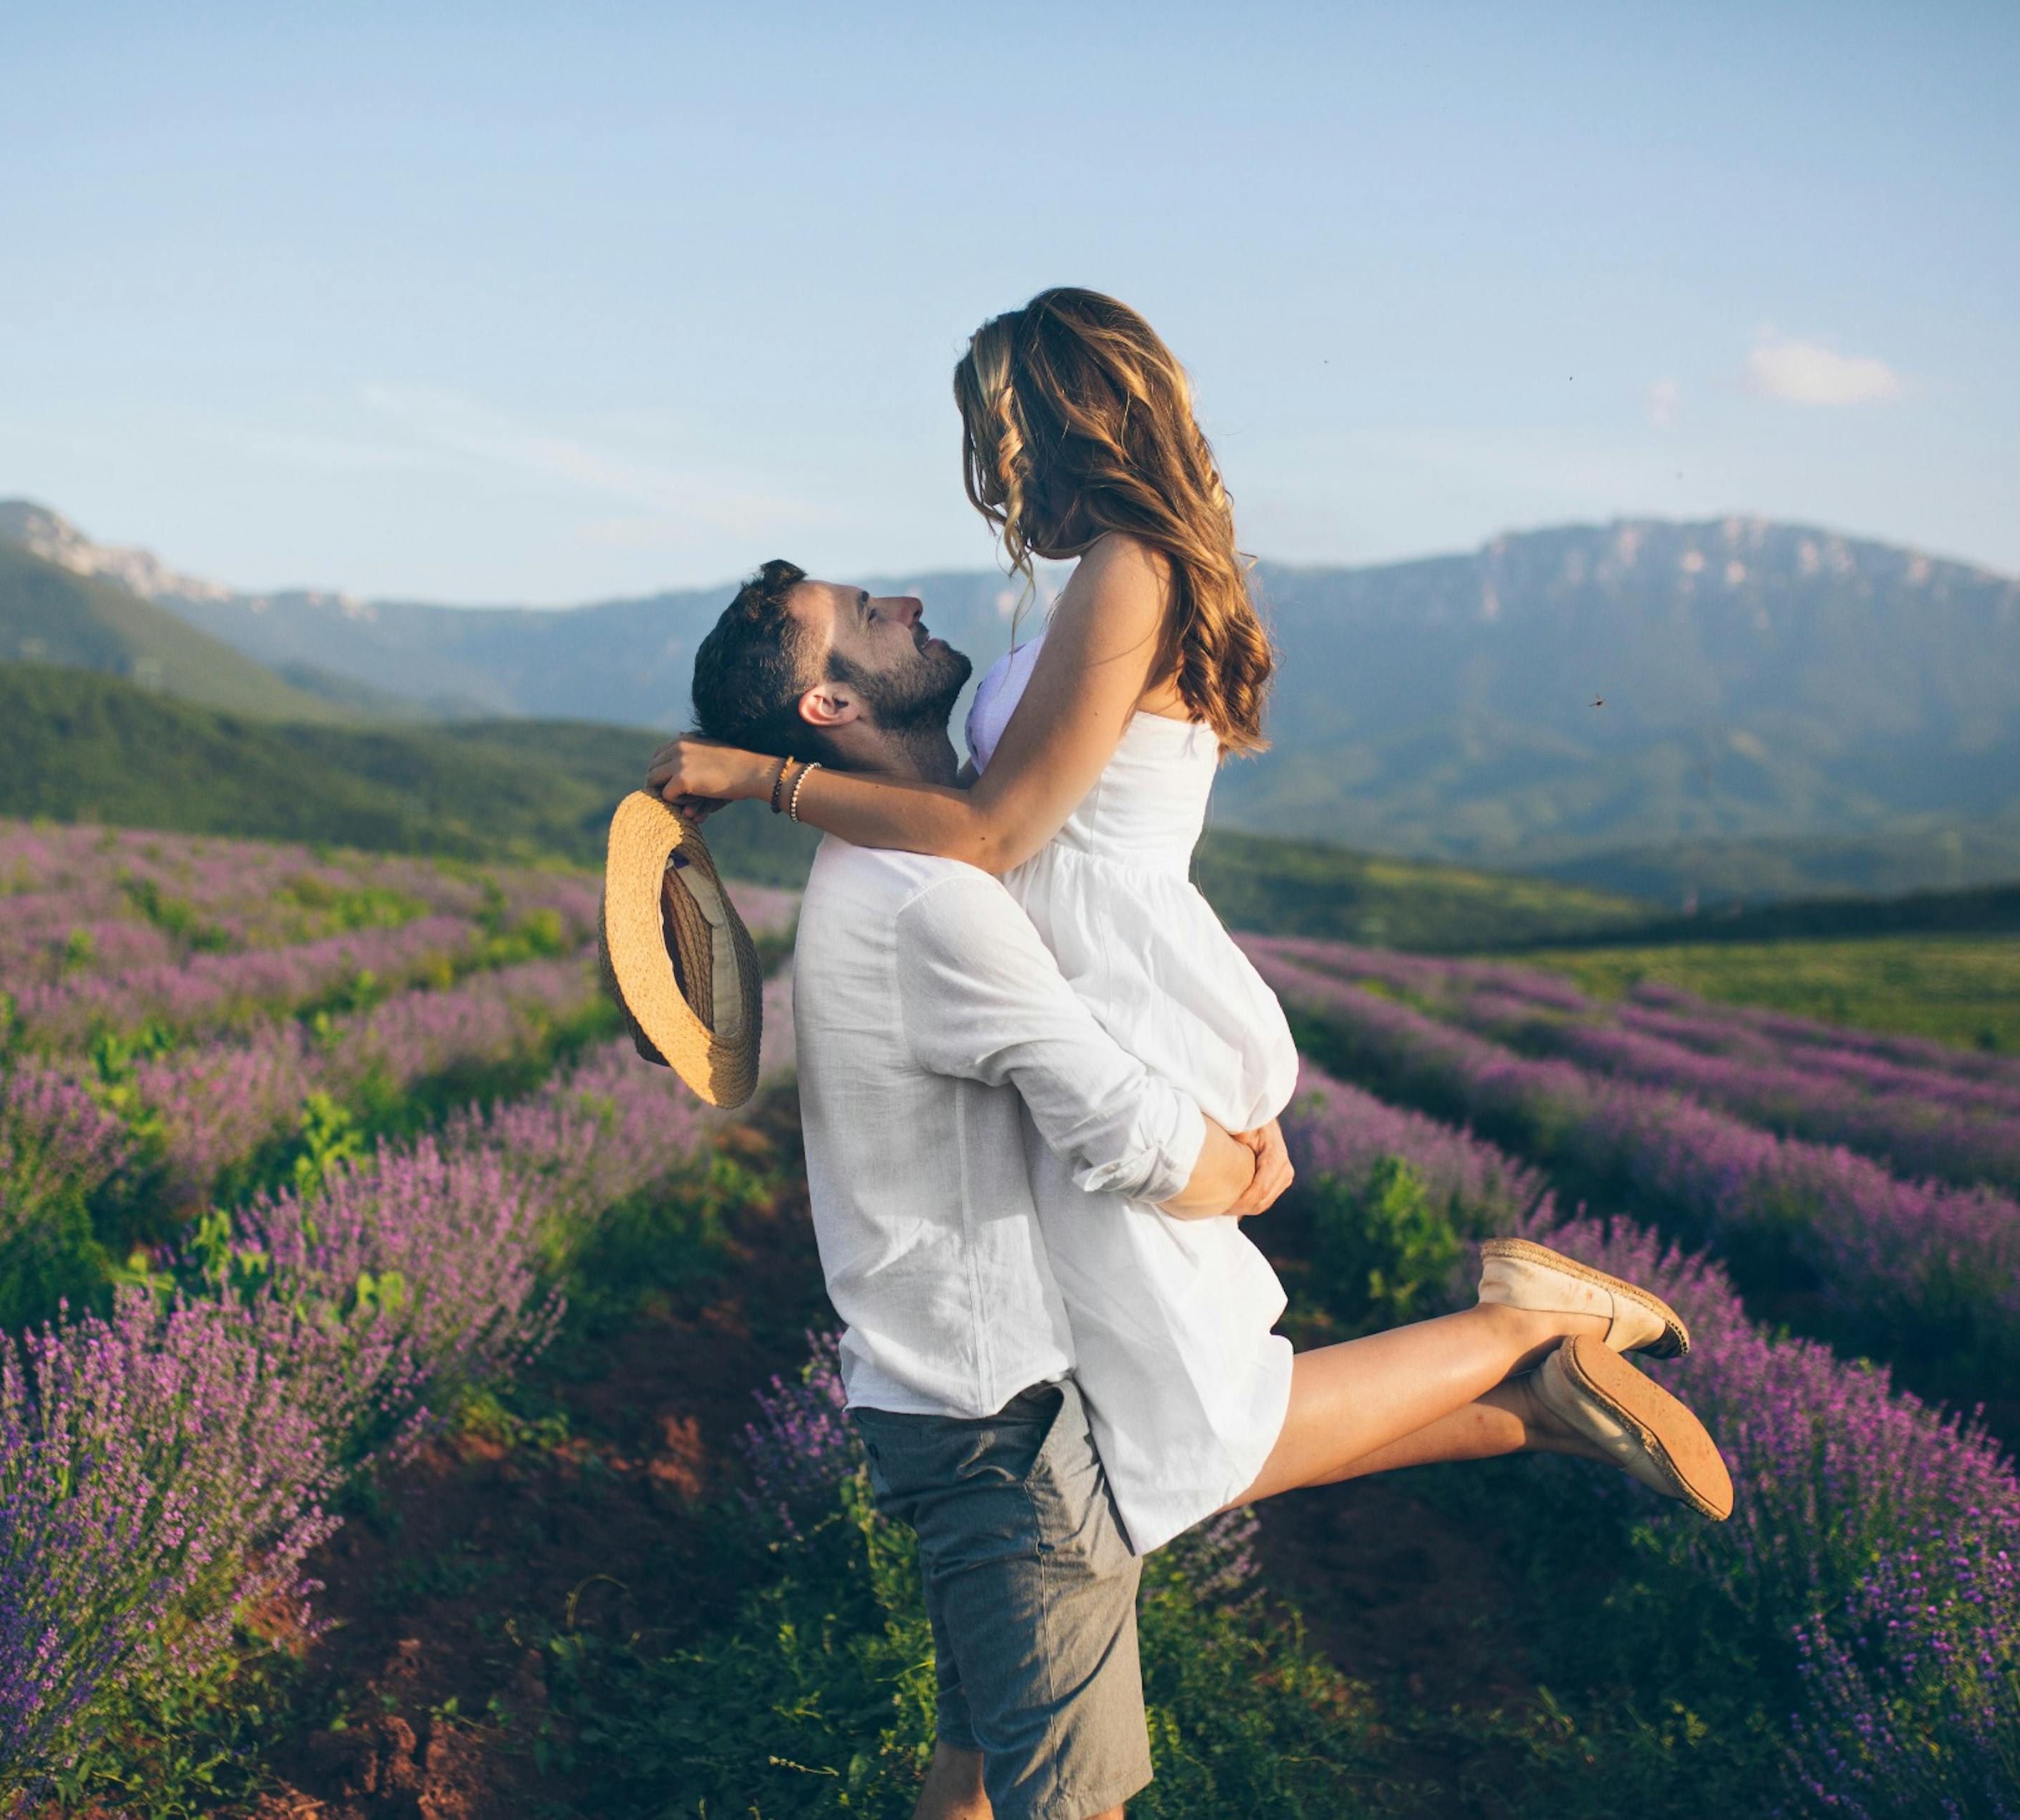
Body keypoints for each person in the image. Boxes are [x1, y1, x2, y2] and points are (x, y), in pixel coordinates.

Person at [680, 550, 1729, 1820]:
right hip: (1002, 1425)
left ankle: (1542, 1402)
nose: (899, 601)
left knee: (972, 1768)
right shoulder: (927, 903)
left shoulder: (906, 873)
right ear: (829, 708)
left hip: (948, 1405)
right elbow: (1128, 1134)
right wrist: (1231, 1164)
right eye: (861, 617)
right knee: (1073, 1791)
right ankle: (1520, 1334)